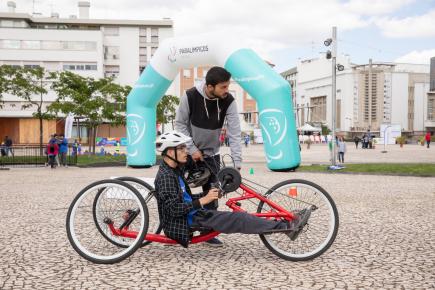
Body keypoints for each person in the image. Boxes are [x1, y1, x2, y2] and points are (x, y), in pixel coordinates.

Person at [153, 131, 311, 248]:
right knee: (240, 218)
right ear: (169, 153)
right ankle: (287, 227)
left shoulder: (175, 171)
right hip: (187, 221)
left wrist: (208, 195)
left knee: (239, 216)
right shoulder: (166, 177)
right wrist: (203, 200)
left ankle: (284, 223)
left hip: (194, 215)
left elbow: (184, 199)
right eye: (180, 148)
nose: (185, 151)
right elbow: (173, 209)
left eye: (184, 148)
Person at [175, 66, 242, 246]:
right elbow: (179, 125)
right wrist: (192, 149)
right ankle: (181, 226)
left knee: (213, 193)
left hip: (212, 154)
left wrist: (237, 163)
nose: (227, 90)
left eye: (228, 86)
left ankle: (208, 231)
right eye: (223, 87)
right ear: (210, 86)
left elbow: (235, 133)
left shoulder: (228, 101)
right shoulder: (189, 96)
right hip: (186, 153)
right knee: (181, 191)